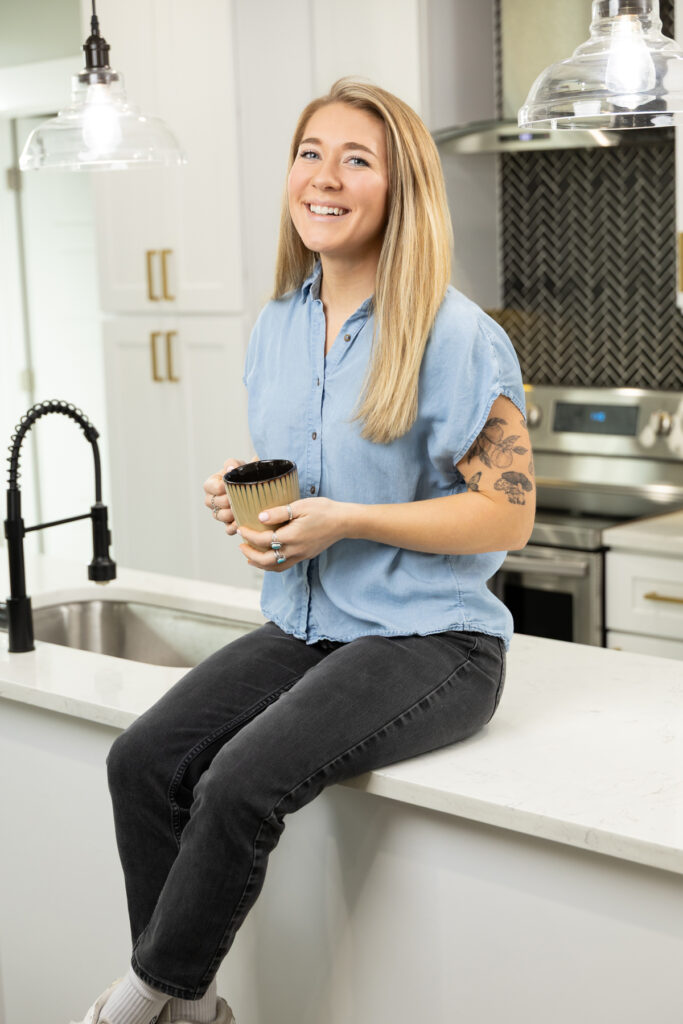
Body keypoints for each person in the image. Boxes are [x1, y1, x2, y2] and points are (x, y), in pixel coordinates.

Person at [71, 77, 535, 1024]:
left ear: (400, 189)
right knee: (142, 761)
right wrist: (251, 507)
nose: (323, 178)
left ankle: (142, 1001)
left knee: (242, 781)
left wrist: (346, 520)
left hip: (433, 641)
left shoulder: (455, 335)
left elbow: (504, 517)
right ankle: (194, 1012)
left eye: (356, 160)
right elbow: (306, 484)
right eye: (309, 153)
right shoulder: (279, 326)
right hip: (309, 624)